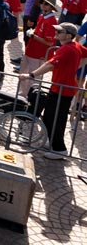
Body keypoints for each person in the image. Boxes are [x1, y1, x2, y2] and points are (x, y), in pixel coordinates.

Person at [29, 22, 87, 158]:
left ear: (68, 35)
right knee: (51, 116)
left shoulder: (67, 49)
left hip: (63, 89)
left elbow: (50, 65)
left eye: (59, 32)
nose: (56, 33)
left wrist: (31, 75)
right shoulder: (74, 46)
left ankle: (59, 149)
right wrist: (76, 66)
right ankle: (52, 142)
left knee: (55, 118)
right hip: (61, 87)